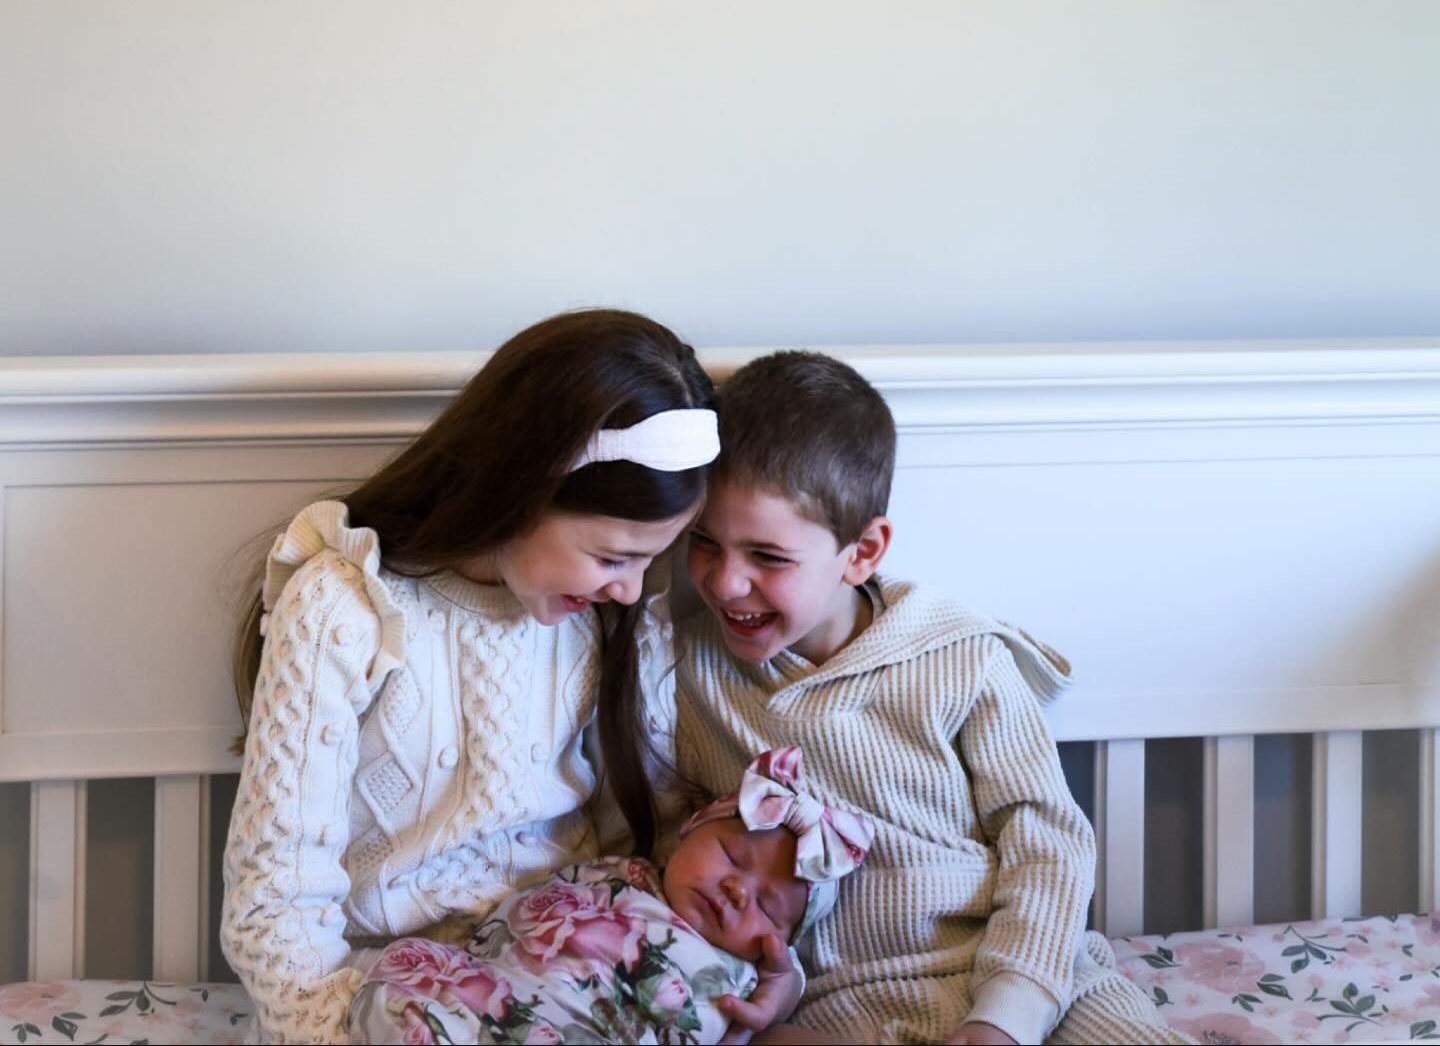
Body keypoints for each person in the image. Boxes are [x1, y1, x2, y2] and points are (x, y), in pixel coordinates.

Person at [221, 309, 719, 1046]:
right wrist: (328, 1032)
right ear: (523, 488)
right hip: (386, 1001)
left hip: (568, 984)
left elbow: (642, 852)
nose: (631, 588)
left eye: (653, 560)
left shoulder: (611, 621)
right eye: (614, 557)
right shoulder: (348, 608)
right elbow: (276, 892)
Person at [677, 351, 1187, 1046]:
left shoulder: (960, 658)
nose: (728, 582)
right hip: (834, 1007)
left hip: (1024, 984)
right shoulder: (682, 676)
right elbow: (661, 858)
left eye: (767, 557)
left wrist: (1006, 1016)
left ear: (862, 553)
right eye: (704, 543)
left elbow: (1047, 843)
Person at [348, 746, 871, 1045]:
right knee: (398, 979)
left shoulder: (747, 976)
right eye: (733, 857)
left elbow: (766, 1006)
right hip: (498, 1001)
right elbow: (512, 922)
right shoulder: (619, 872)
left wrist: (783, 984)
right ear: (690, 828)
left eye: (767, 908)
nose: (737, 890)